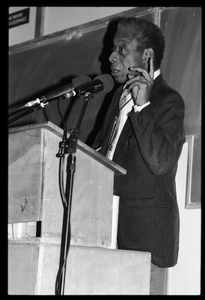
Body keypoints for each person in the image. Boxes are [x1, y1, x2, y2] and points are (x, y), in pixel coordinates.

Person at [92, 17, 185, 293]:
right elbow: (104, 153)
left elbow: (161, 162)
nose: (110, 56)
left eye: (121, 49)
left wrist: (143, 106)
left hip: (145, 240)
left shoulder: (169, 101)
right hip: (106, 234)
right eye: (113, 48)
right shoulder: (117, 98)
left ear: (147, 56)